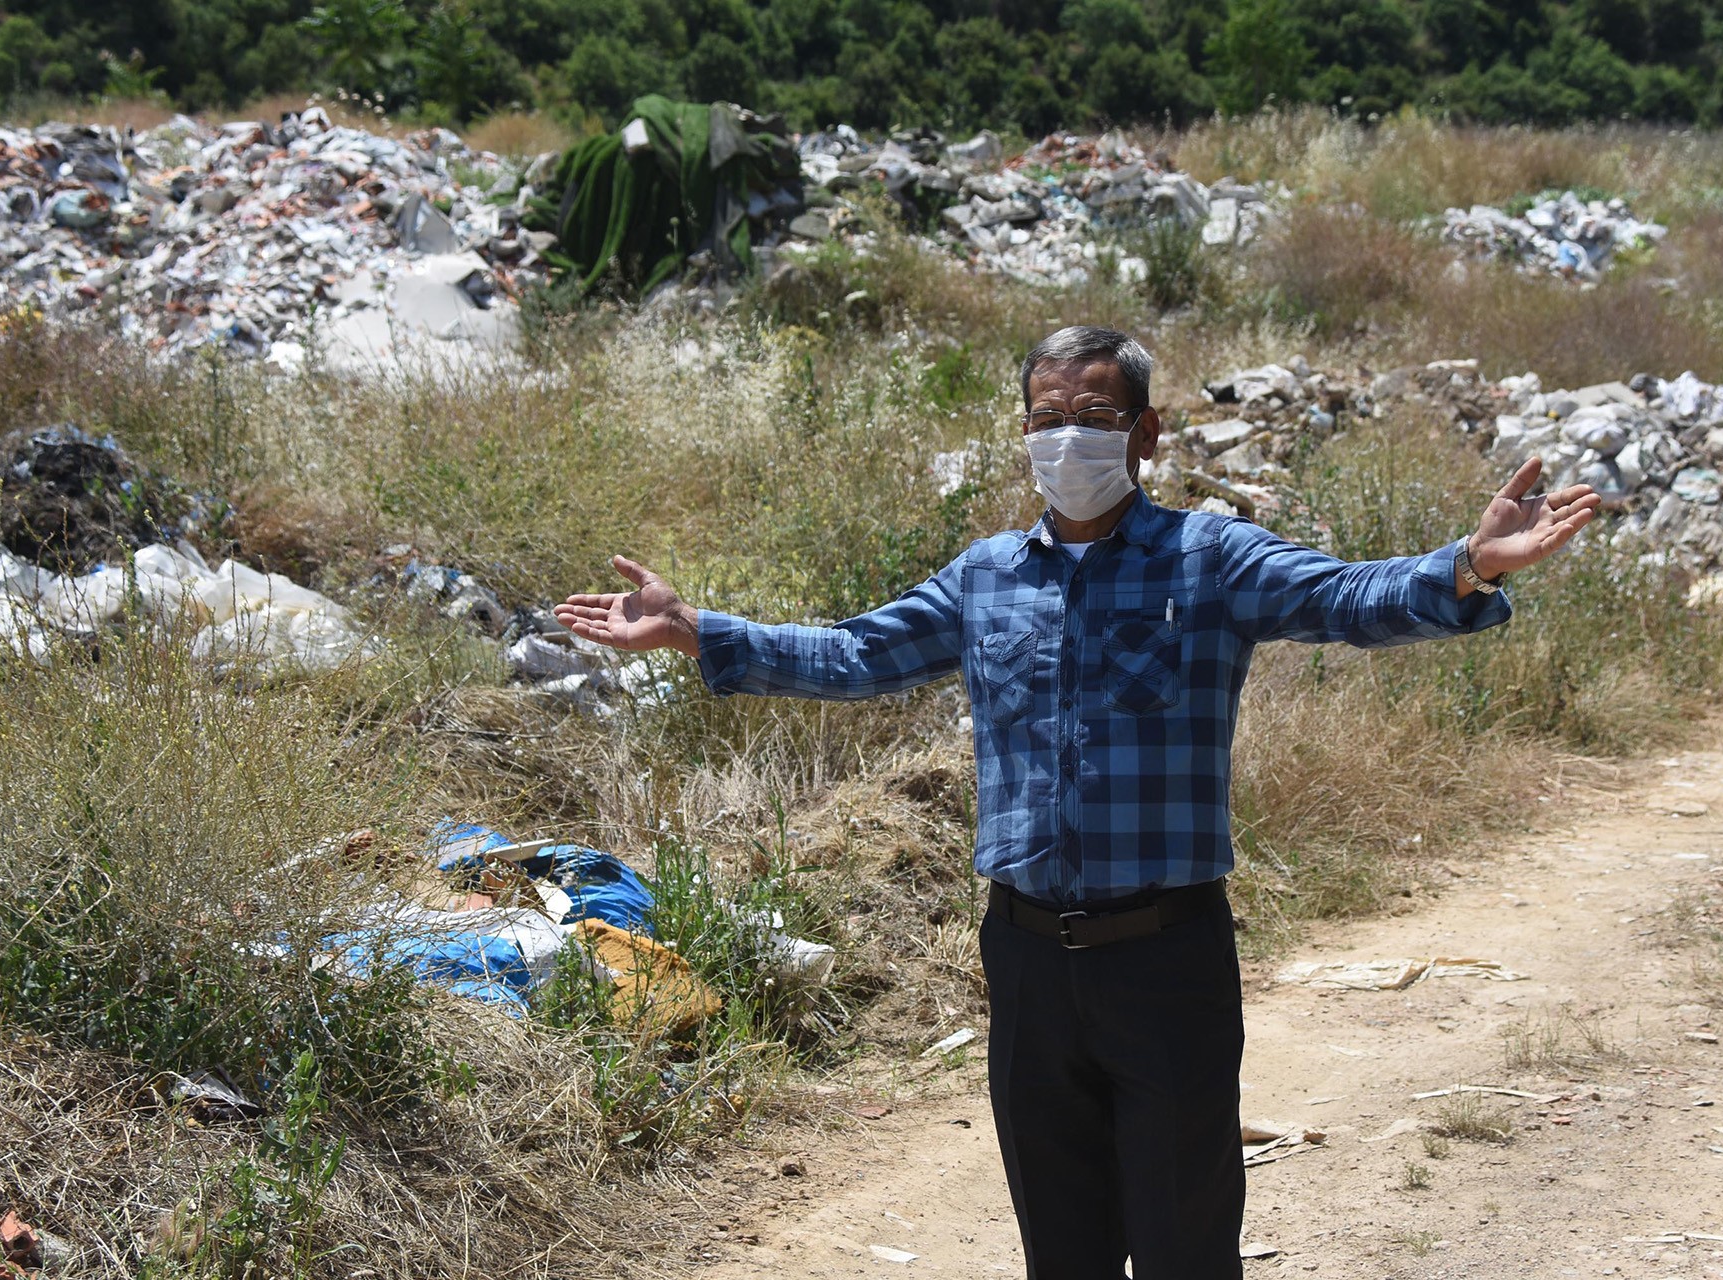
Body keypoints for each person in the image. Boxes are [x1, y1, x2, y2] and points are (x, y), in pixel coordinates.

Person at [554, 326, 1600, 1279]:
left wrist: (1466, 566)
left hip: (1167, 959)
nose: (1067, 440)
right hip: (1025, 961)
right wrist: (702, 633)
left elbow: (1347, 596)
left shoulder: (1211, 558)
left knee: (1188, 1244)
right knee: (1064, 1249)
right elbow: (857, 652)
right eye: (1046, 421)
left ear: (1143, 433)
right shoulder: (986, 577)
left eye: (1092, 419)